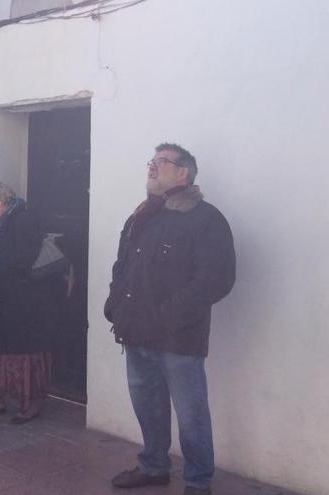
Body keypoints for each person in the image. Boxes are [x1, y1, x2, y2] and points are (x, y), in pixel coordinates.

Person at [104, 144, 235, 495]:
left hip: (178, 337)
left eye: (162, 162)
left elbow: (216, 279)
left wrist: (169, 315)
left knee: (190, 413)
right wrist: (114, 304)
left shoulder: (206, 218)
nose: (153, 167)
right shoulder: (142, 215)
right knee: (147, 405)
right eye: (152, 161)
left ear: (184, 173)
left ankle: (197, 482)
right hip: (134, 331)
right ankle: (153, 466)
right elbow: (123, 267)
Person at [0, 182, 59, 424]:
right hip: (7, 296)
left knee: (25, 350)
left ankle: (30, 403)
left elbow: (27, 255)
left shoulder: (24, 219)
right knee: (3, 348)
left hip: (28, 299)